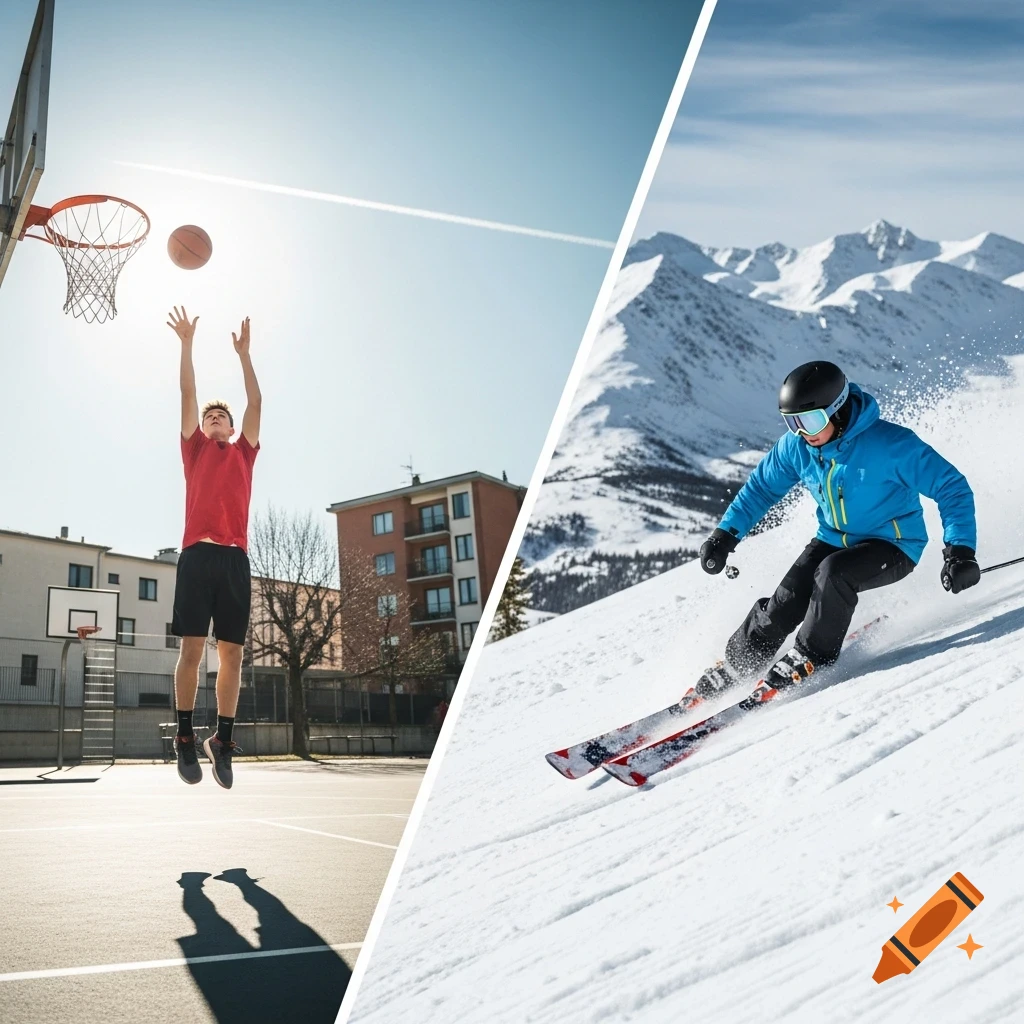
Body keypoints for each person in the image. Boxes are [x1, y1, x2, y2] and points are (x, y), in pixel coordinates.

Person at [695, 360, 978, 697]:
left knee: (833, 574)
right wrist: (725, 535)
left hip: (895, 544)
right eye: (793, 422)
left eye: (811, 419)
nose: (803, 431)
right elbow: (761, 489)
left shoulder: (890, 445)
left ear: (838, 410)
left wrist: (960, 551)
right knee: (784, 602)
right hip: (832, 538)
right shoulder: (797, 446)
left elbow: (951, 487)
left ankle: (810, 656)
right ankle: (737, 664)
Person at [167, 306, 262, 788]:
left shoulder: (245, 452)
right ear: (203, 429)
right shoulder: (196, 450)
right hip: (198, 555)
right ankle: (185, 737)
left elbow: (256, 403)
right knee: (191, 649)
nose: (216, 419)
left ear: (232, 427)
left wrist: (244, 356)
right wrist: (186, 343)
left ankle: (221, 741)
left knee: (233, 656)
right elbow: (188, 393)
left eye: (221, 416)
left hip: (235, 560)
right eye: (210, 417)